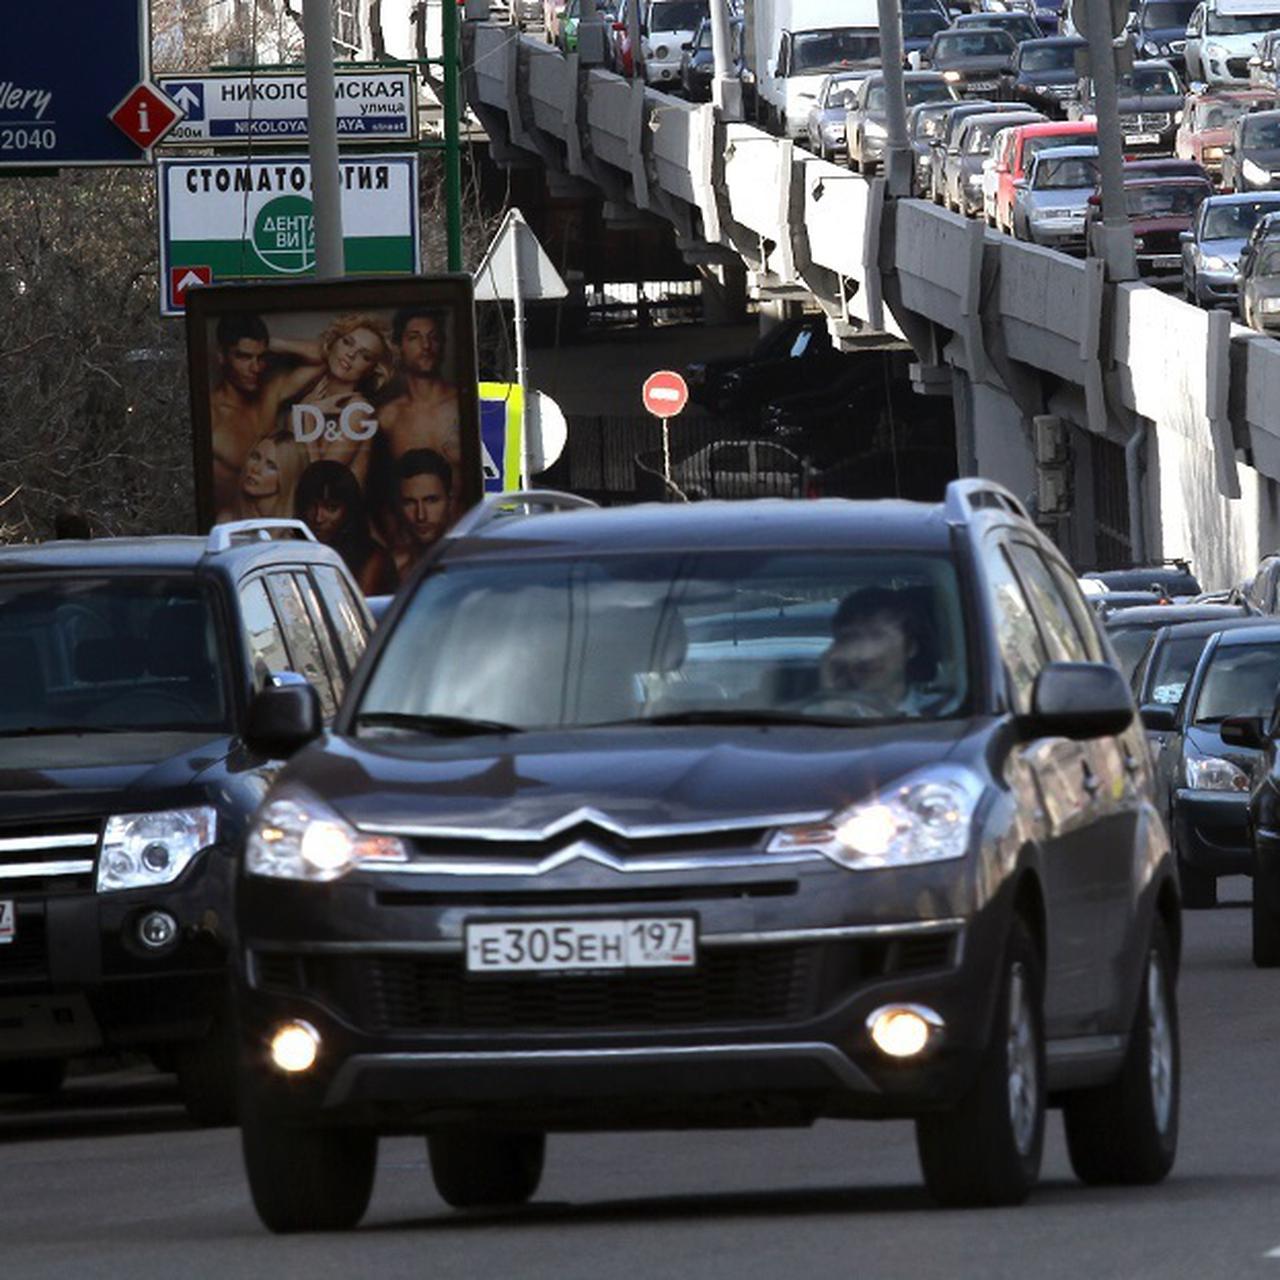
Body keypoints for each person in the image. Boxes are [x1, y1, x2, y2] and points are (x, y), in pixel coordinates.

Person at [208, 313, 330, 515]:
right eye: (244, 357)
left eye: (261, 357)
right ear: (221, 356)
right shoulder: (213, 415)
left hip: (280, 523)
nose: (255, 368)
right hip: (234, 527)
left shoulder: (270, 392)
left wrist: (274, 344)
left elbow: (326, 358)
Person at [283, 314, 393, 488]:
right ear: (333, 342)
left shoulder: (359, 411)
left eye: (365, 356)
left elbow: (320, 482)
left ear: (371, 370)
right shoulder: (310, 394)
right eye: (347, 342)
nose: (351, 354)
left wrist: (309, 415)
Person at [815, 586, 938, 716]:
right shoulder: (808, 715)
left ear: (911, 648)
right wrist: (831, 703)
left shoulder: (947, 713)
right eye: (851, 638)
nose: (864, 654)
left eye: (877, 636)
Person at [377, 308, 462, 484]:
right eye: (414, 337)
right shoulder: (389, 417)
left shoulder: (461, 406)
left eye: (433, 337)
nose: (426, 346)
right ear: (399, 347)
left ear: (443, 344)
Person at [295, 461, 397, 595]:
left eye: (331, 508)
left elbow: (358, 611)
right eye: (312, 506)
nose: (318, 518)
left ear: (349, 510)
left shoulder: (372, 560)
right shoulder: (294, 549)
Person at [217, 430, 309, 524]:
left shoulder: (297, 530)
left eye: (271, 466)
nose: (256, 469)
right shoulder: (228, 521)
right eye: (255, 457)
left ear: (287, 478)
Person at [390, 449, 453, 576]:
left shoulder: (473, 563)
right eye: (409, 502)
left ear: (450, 501)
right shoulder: (393, 569)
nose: (421, 515)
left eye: (431, 500)